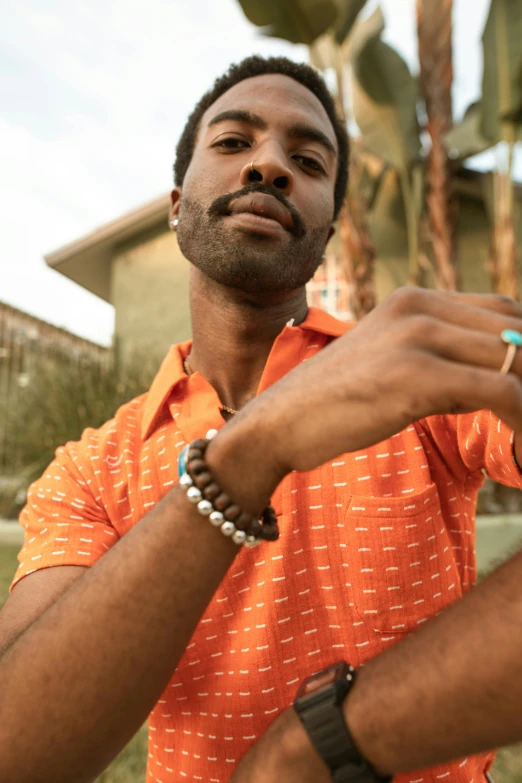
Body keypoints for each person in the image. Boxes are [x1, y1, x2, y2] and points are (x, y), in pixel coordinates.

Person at [1, 55, 522, 783]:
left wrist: (318, 742)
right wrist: (248, 454)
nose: (270, 165)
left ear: (328, 230)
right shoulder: (91, 470)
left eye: (307, 158)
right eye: (233, 142)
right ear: (178, 203)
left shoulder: (417, 372)